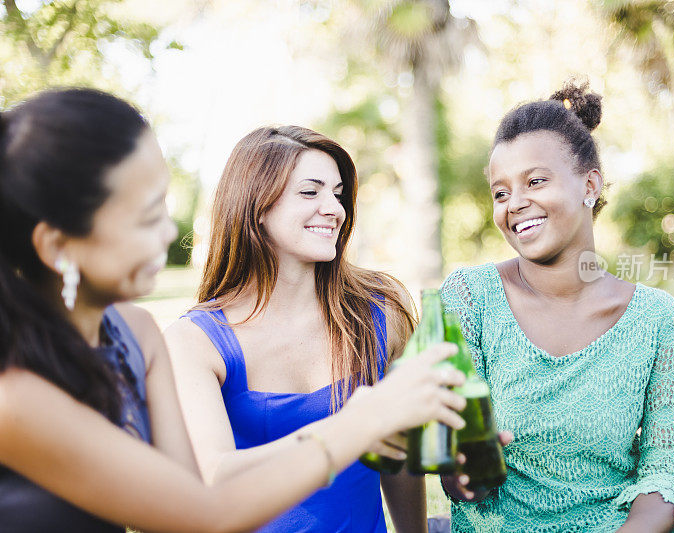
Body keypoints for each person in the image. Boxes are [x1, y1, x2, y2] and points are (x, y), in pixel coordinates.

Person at [0, 88, 467, 533]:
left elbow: (196, 484)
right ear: (57, 246)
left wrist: (380, 428)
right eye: (146, 216)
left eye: (165, 206)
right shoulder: (14, 398)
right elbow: (205, 512)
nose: (169, 233)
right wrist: (362, 422)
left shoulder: (135, 330)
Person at [439, 81, 674, 532]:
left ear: (589, 184)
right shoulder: (469, 298)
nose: (515, 204)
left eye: (535, 181)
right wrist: (463, 469)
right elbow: (454, 455)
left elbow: (668, 467)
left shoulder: (656, 319)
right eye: (500, 193)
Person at [164, 125, 433, 532]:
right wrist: (354, 427)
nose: (334, 209)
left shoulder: (381, 311)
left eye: (338, 194)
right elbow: (216, 477)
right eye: (311, 192)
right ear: (257, 206)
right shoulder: (195, 342)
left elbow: (401, 453)